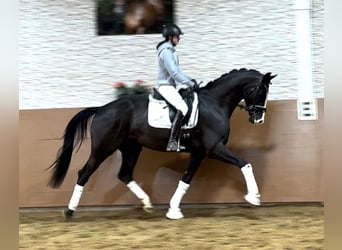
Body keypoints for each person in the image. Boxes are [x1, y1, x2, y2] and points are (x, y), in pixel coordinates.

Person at [155, 24, 196, 151]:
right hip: (166, 87)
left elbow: (178, 72)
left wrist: (190, 80)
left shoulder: (171, 51)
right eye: (177, 36)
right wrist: (190, 83)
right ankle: (172, 142)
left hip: (171, 86)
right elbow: (174, 73)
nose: (179, 38)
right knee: (183, 108)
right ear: (170, 37)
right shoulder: (166, 52)